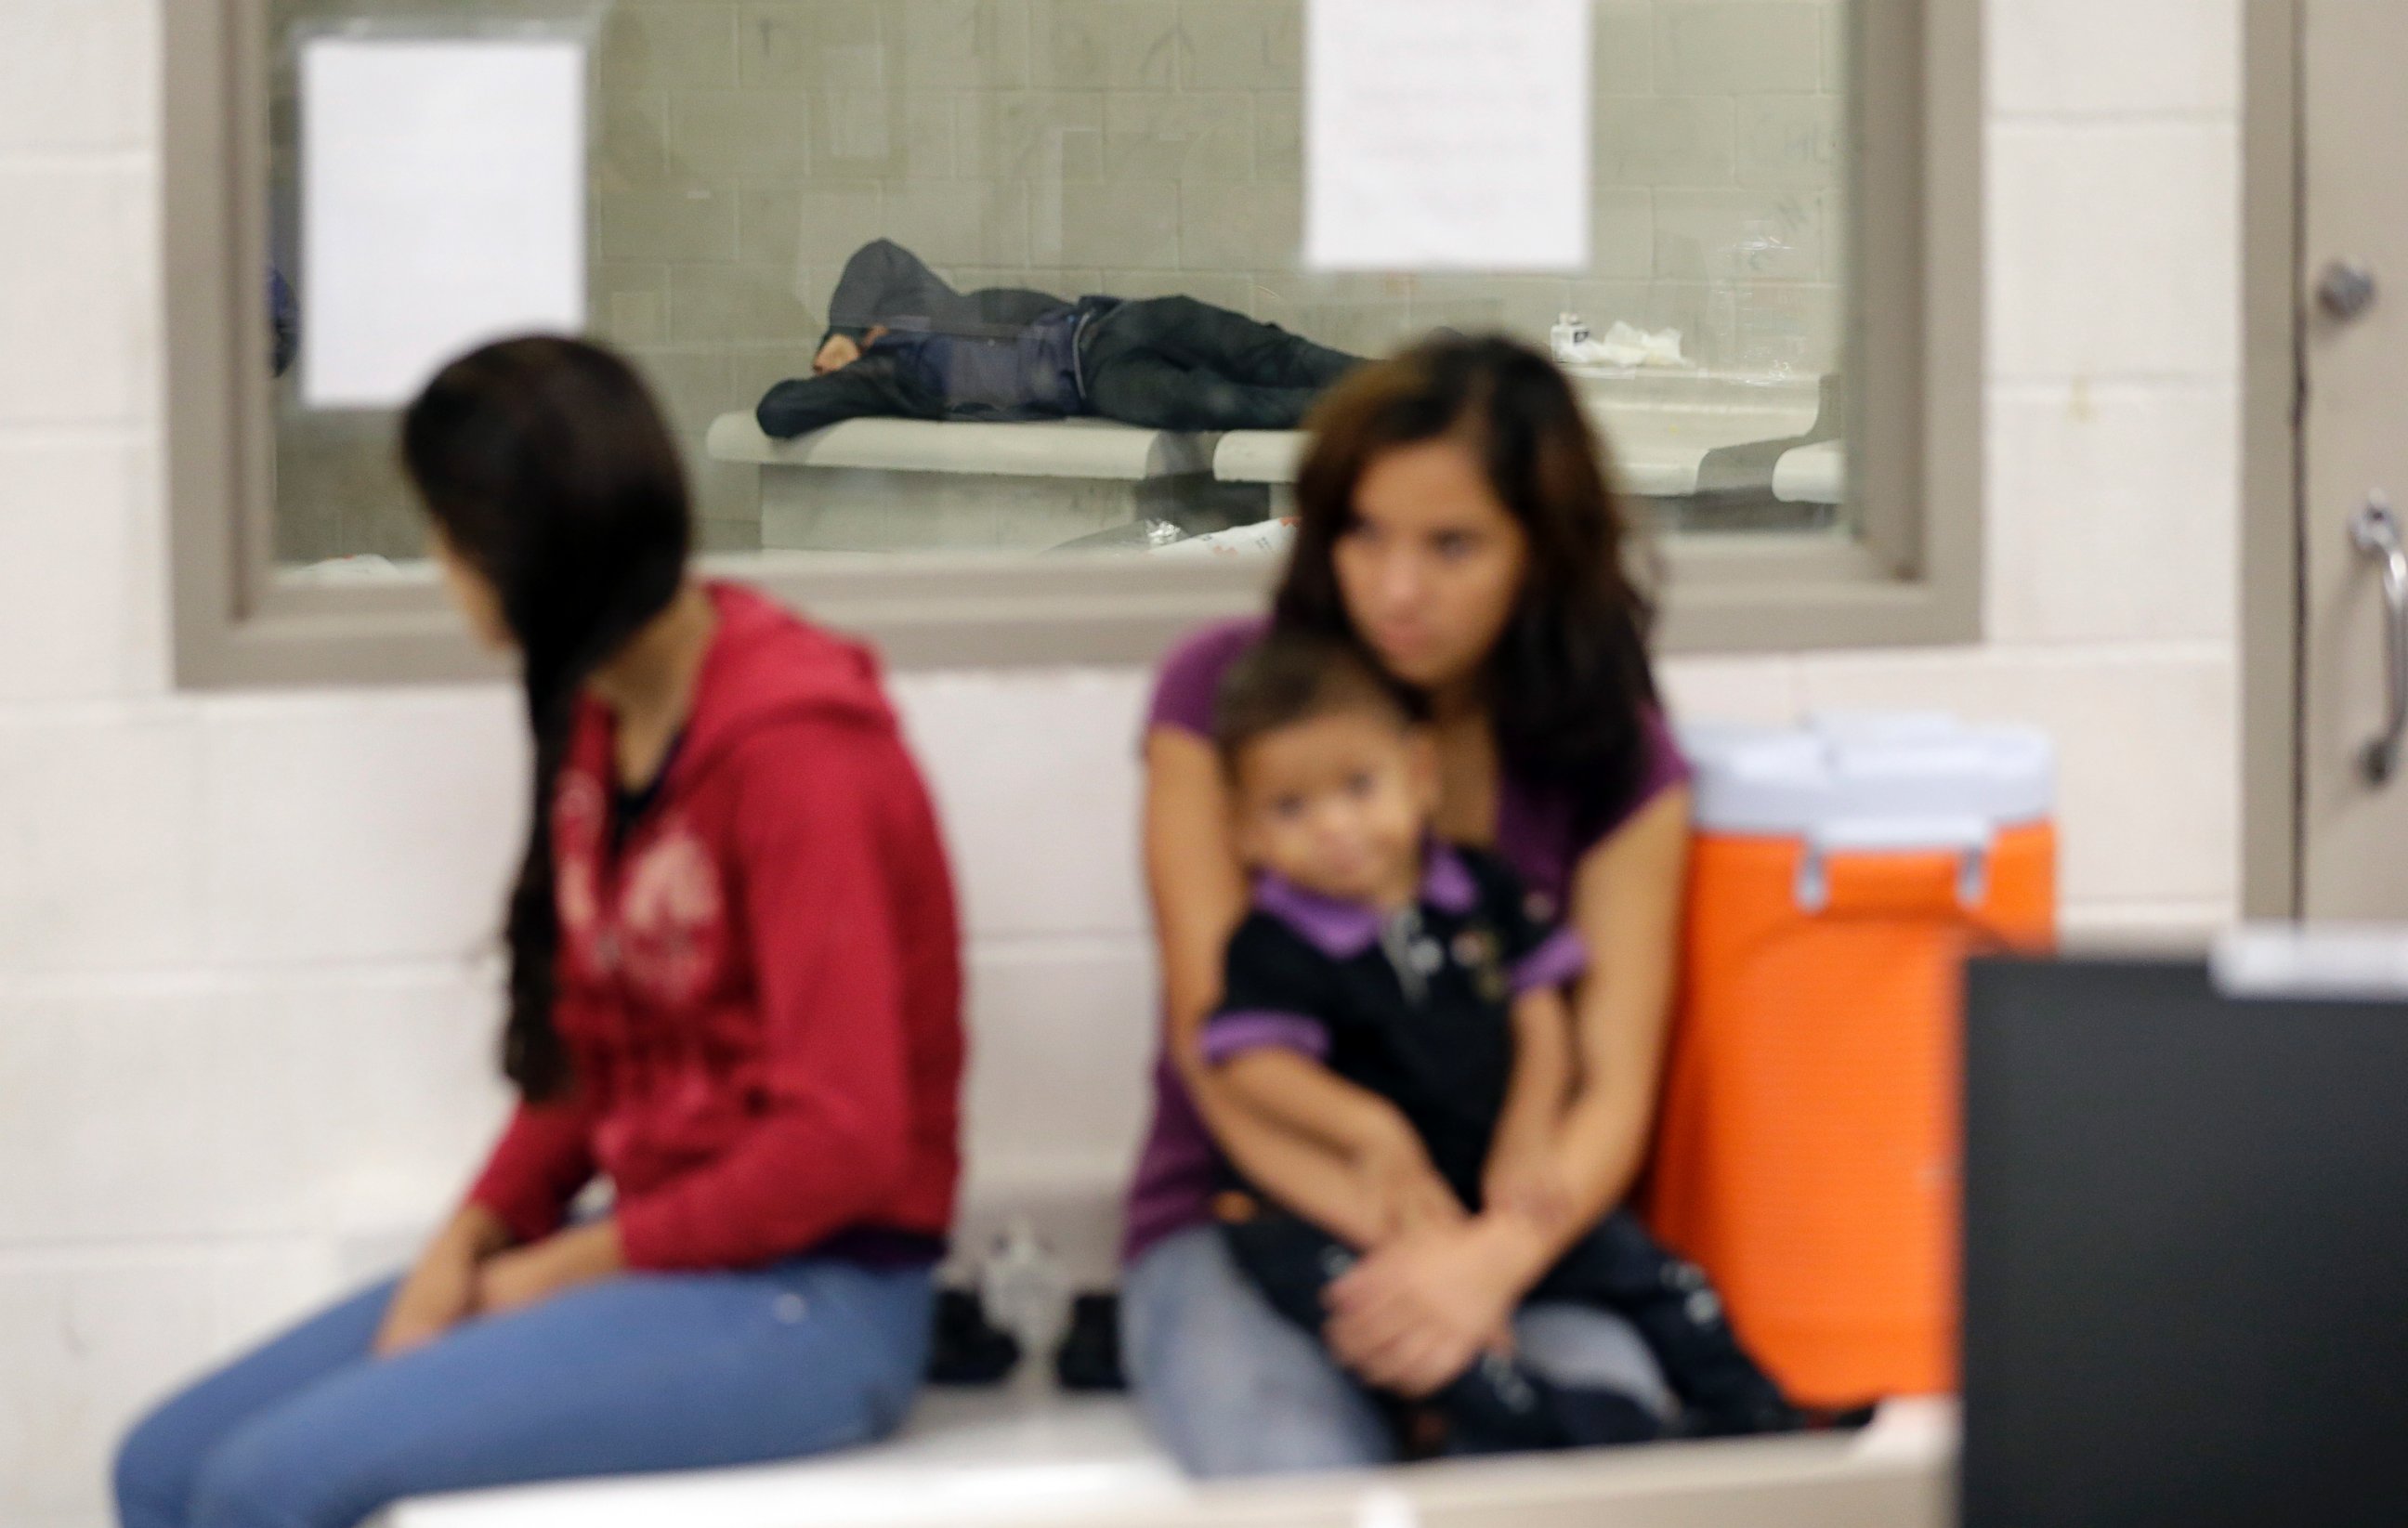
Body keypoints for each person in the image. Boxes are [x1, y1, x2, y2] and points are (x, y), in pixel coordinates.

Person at [113, 337, 965, 1528]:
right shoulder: (603, 721)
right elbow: (584, 1064)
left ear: (524, 556)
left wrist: (547, 1274)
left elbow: (845, 1141)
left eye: (448, 535)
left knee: (265, 1490)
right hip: (662, 1253)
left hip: (815, 1296)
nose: (438, 566)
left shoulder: (800, 757)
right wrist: (463, 1246)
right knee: (159, 1470)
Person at [1119, 333, 1698, 1476]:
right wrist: (1414, 1246)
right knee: (1294, 1470)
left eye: (1452, 545)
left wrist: (1482, 1264)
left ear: (1543, 554)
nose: (1395, 587)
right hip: (1243, 1219)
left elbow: (1612, 1092)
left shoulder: (1620, 761)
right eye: (1364, 533)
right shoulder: (1220, 697)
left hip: (1516, 1240)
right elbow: (1217, 1054)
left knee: (1603, 1455)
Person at [1197, 633, 1797, 1454]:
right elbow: (1252, 1064)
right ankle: (1558, 1422)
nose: (1335, 826)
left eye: (1359, 786)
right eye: (1290, 808)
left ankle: (1761, 1422)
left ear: (1420, 774)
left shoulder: (1480, 889)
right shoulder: (1272, 943)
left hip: (1498, 1183)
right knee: (1396, 1330)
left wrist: (1529, 1127)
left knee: (1665, 1281)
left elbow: (1539, 1013)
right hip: (1342, 1215)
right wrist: (1369, 1130)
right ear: (1244, 832)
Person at [755, 238, 1364, 438]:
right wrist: (841, 362)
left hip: (1114, 321)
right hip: (1097, 381)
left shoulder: (929, 308)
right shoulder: (893, 380)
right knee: (1207, 402)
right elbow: (777, 411)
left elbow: (879, 256)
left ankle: (1411, 377)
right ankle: (1384, 411)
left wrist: (843, 330)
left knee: (1269, 352)